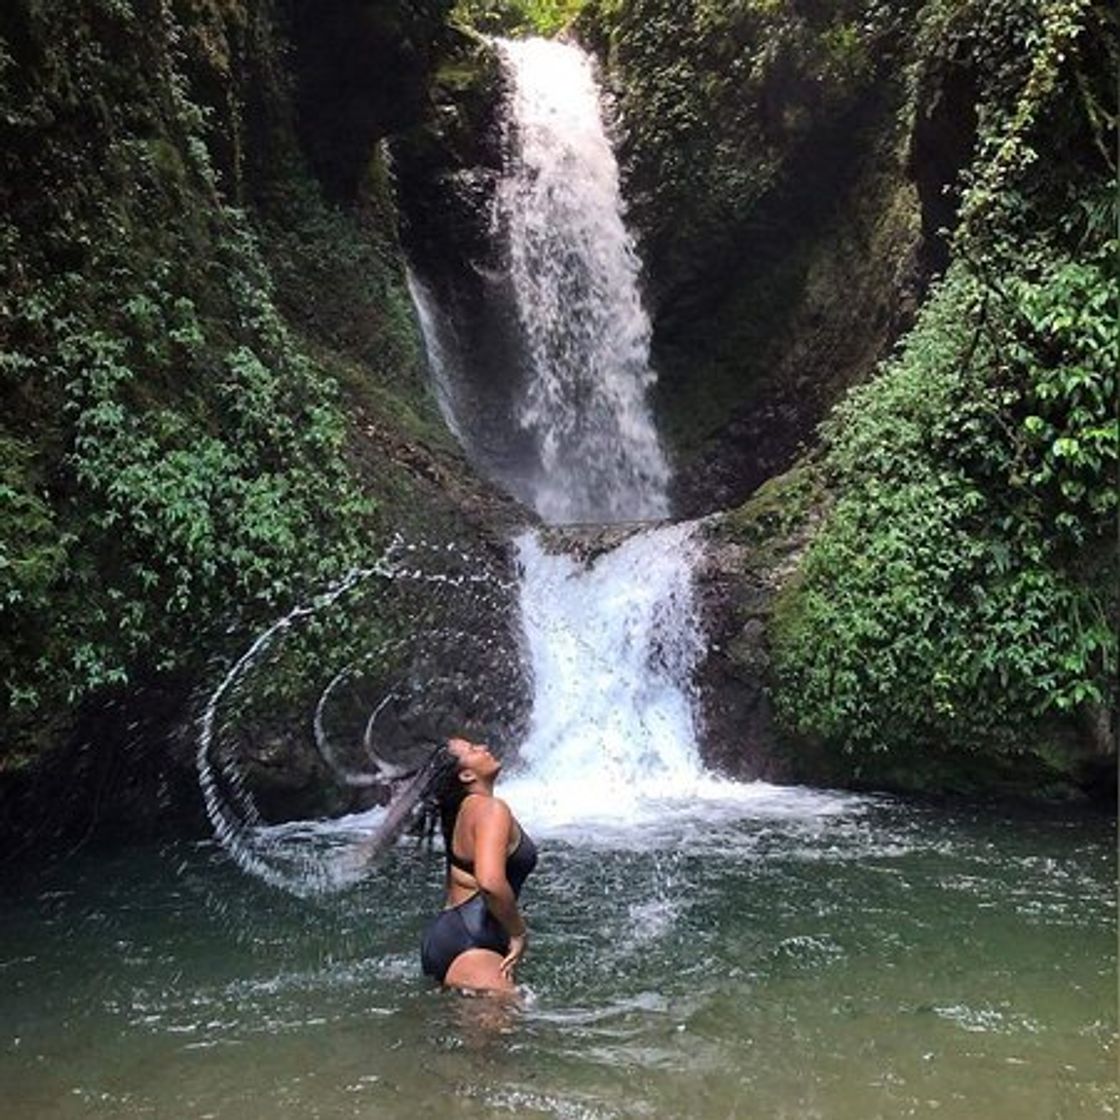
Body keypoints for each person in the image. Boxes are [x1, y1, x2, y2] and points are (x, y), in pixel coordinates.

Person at [418, 736, 537, 993]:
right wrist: (518, 933)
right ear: (467, 775)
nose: (483, 747)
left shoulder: (462, 810)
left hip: (450, 936)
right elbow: (490, 882)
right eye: (473, 750)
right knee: (506, 1028)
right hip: (473, 944)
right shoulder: (491, 810)